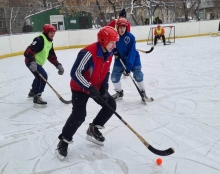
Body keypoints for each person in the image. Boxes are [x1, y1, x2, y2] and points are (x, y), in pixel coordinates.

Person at [56, 26, 119, 160]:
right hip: (80, 88)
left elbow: (106, 71)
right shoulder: (88, 53)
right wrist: (89, 87)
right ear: (103, 41)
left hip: (96, 87)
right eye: (112, 42)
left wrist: (104, 87)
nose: (115, 45)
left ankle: (93, 129)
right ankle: (64, 141)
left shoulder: (109, 53)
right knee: (79, 115)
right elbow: (75, 73)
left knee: (111, 105)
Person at [24, 24, 64, 105]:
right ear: (46, 32)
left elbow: (51, 55)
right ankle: (37, 96)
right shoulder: (40, 40)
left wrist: (58, 65)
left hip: (37, 63)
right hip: (32, 62)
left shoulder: (49, 42)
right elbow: (27, 51)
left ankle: (33, 91)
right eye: (51, 32)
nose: (53, 34)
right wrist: (32, 61)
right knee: (43, 76)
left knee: (38, 77)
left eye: (54, 32)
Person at [111, 18, 149, 102]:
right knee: (114, 77)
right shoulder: (114, 36)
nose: (122, 29)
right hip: (119, 59)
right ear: (117, 27)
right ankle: (119, 92)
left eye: (123, 27)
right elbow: (110, 46)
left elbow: (132, 53)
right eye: (120, 27)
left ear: (126, 27)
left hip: (133, 58)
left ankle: (143, 92)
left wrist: (128, 68)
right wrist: (114, 51)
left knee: (138, 74)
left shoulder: (130, 37)